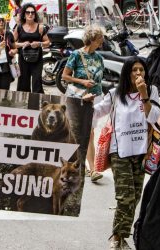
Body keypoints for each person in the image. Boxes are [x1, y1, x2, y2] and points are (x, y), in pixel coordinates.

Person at [87, 57, 160, 250]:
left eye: (141, 70)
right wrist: (85, 105)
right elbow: (96, 113)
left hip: (142, 153)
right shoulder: (115, 94)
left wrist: (144, 94)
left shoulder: (151, 91)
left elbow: (153, 119)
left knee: (135, 197)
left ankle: (120, 237)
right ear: (127, 73)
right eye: (134, 70)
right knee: (125, 197)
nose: (138, 74)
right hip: (119, 152)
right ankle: (117, 238)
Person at [62, 25, 105, 182]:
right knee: (78, 133)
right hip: (78, 98)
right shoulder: (76, 55)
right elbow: (65, 76)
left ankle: (92, 169)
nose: (102, 42)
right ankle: (82, 166)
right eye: (100, 39)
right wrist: (82, 81)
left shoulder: (99, 58)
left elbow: (99, 80)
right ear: (92, 39)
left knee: (90, 132)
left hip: (94, 98)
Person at [13, 3, 50, 93]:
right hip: (23, 59)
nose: (30, 14)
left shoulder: (40, 27)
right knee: (23, 82)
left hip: (37, 60)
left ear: (35, 15)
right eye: (28, 12)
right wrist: (22, 44)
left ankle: (37, 104)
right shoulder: (19, 27)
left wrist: (39, 43)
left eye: (32, 13)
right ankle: (23, 104)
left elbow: (48, 43)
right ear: (24, 15)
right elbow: (11, 43)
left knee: (37, 82)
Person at [0, 15, 17, 90]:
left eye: (3, 20)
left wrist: (13, 52)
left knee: (5, 91)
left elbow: (15, 48)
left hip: (7, 68)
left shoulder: (9, 34)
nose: (1, 22)